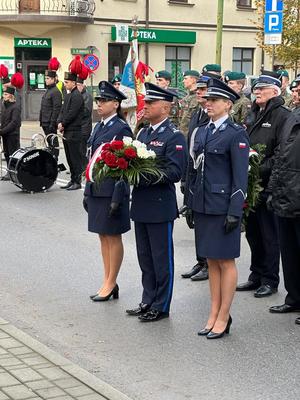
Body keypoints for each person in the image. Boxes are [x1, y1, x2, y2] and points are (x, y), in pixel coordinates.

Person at [188, 78, 249, 339]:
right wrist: (190, 203)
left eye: (214, 100)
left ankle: (224, 315)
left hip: (223, 206)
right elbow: (194, 170)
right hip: (203, 205)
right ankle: (213, 312)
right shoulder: (202, 131)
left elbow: (240, 177)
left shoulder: (236, 134)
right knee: (211, 260)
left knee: (225, 260)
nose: (208, 103)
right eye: (207, 100)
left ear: (228, 104)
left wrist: (236, 210)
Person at [126, 83, 187, 322]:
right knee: (145, 257)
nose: (146, 106)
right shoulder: (144, 133)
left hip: (160, 205)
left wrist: (143, 174)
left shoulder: (173, 136)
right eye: (146, 102)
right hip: (141, 203)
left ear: (165, 107)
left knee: (162, 259)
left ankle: (161, 305)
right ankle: (147, 299)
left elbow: (175, 172)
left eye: (150, 103)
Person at [237, 71, 291, 297]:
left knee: (269, 235)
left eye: (262, 88)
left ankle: (270, 279)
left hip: (269, 184)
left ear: (275, 91)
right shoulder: (252, 114)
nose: (256, 91)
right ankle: (256, 274)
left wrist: (257, 166)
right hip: (251, 183)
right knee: (253, 233)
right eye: (255, 88)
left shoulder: (283, 116)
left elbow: (282, 153)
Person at [85, 81, 132, 302]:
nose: (99, 104)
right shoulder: (100, 127)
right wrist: (87, 190)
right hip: (97, 189)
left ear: (116, 104)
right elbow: (91, 161)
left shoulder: (121, 128)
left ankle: (111, 281)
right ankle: (107, 280)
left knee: (113, 236)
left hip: (112, 191)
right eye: (98, 100)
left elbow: (125, 165)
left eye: (103, 101)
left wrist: (118, 197)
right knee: (103, 236)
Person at [267, 109, 300, 325]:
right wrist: (272, 189)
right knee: (289, 252)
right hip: (286, 195)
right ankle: (294, 298)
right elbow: (280, 156)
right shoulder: (293, 116)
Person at [181, 75, 210, 281]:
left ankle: (209, 263)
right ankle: (201, 261)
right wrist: (185, 179)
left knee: (206, 223)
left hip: (206, 178)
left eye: (203, 89)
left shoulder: (212, 115)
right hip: (192, 175)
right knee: (195, 221)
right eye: (197, 89)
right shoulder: (197, 113)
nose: (199, 92)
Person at [57, 69, 84, 190]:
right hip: (67, 130)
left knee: (75, 158)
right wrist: (59, 122)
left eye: (67, 82)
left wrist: (63, 123)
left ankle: (77, 181)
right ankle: (72, 179)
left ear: (74, 83)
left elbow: (72, 113)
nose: (65, 84)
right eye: (65, 82)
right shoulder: (68, 95)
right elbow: (63, 111)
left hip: (74, 130)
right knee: (69, 157)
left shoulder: (77, 96)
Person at [39, 58, 62, 160]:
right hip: (44, 121)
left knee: (53, 142)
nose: (46, 80)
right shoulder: (48, 90)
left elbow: (56, 108)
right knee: (49, 142)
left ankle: (55, 158)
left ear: (53, 79)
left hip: (50, 122)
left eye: (48, 78)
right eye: (45, 78)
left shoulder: (55, 91)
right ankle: (51, 158)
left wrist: (53, 122)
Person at [0, 86, 21, 181]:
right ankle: (9, 172)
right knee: (7, 153)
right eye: (3, 94)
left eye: (5, 94)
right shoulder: (4, 105)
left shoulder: (15, 107)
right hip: (5, 134)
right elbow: (3, 119)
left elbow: (14, 123)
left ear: (11, 96)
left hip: (13, 134)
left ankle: (14, 172)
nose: (3, 96)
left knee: (13, 154)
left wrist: (2, 131)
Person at [76, 74, 93, 170]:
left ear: (83, 85)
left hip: (84, 127)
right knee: (77, 149)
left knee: (82, 149)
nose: (77, 87)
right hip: (78, 127)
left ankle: (85, 167)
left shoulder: (87, 96)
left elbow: (85, 112)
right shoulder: (77, 95)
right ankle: (79, 166)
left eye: (79, 85)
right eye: (76, 85)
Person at [179, 70, 200, 137]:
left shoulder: (199, 97)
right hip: (182, 135)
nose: (183, 81)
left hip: (192, 135)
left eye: (185, 78)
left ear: (193, 80)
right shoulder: (186, 98)